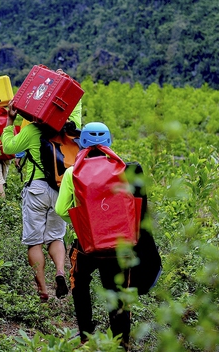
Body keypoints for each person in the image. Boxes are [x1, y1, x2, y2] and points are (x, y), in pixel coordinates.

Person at [55, 122, 134, 350]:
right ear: (108, 142)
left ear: (83, 143)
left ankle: (86, 336)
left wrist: (84, 223)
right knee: (118, 290)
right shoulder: (123, 169)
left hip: (87, 245)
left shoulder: (72, 172)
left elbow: (61, 210)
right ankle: (121, 342)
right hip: (118, 245)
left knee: (79, 283)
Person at [1, 100, 69, 302]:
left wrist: (10, 120)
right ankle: (60, 271)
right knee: (56, 237)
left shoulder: (32, 130)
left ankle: (42, 289)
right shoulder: (64, 129)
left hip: (37, 189)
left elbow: (8, 147)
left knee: (35, 241)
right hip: (59, 189)